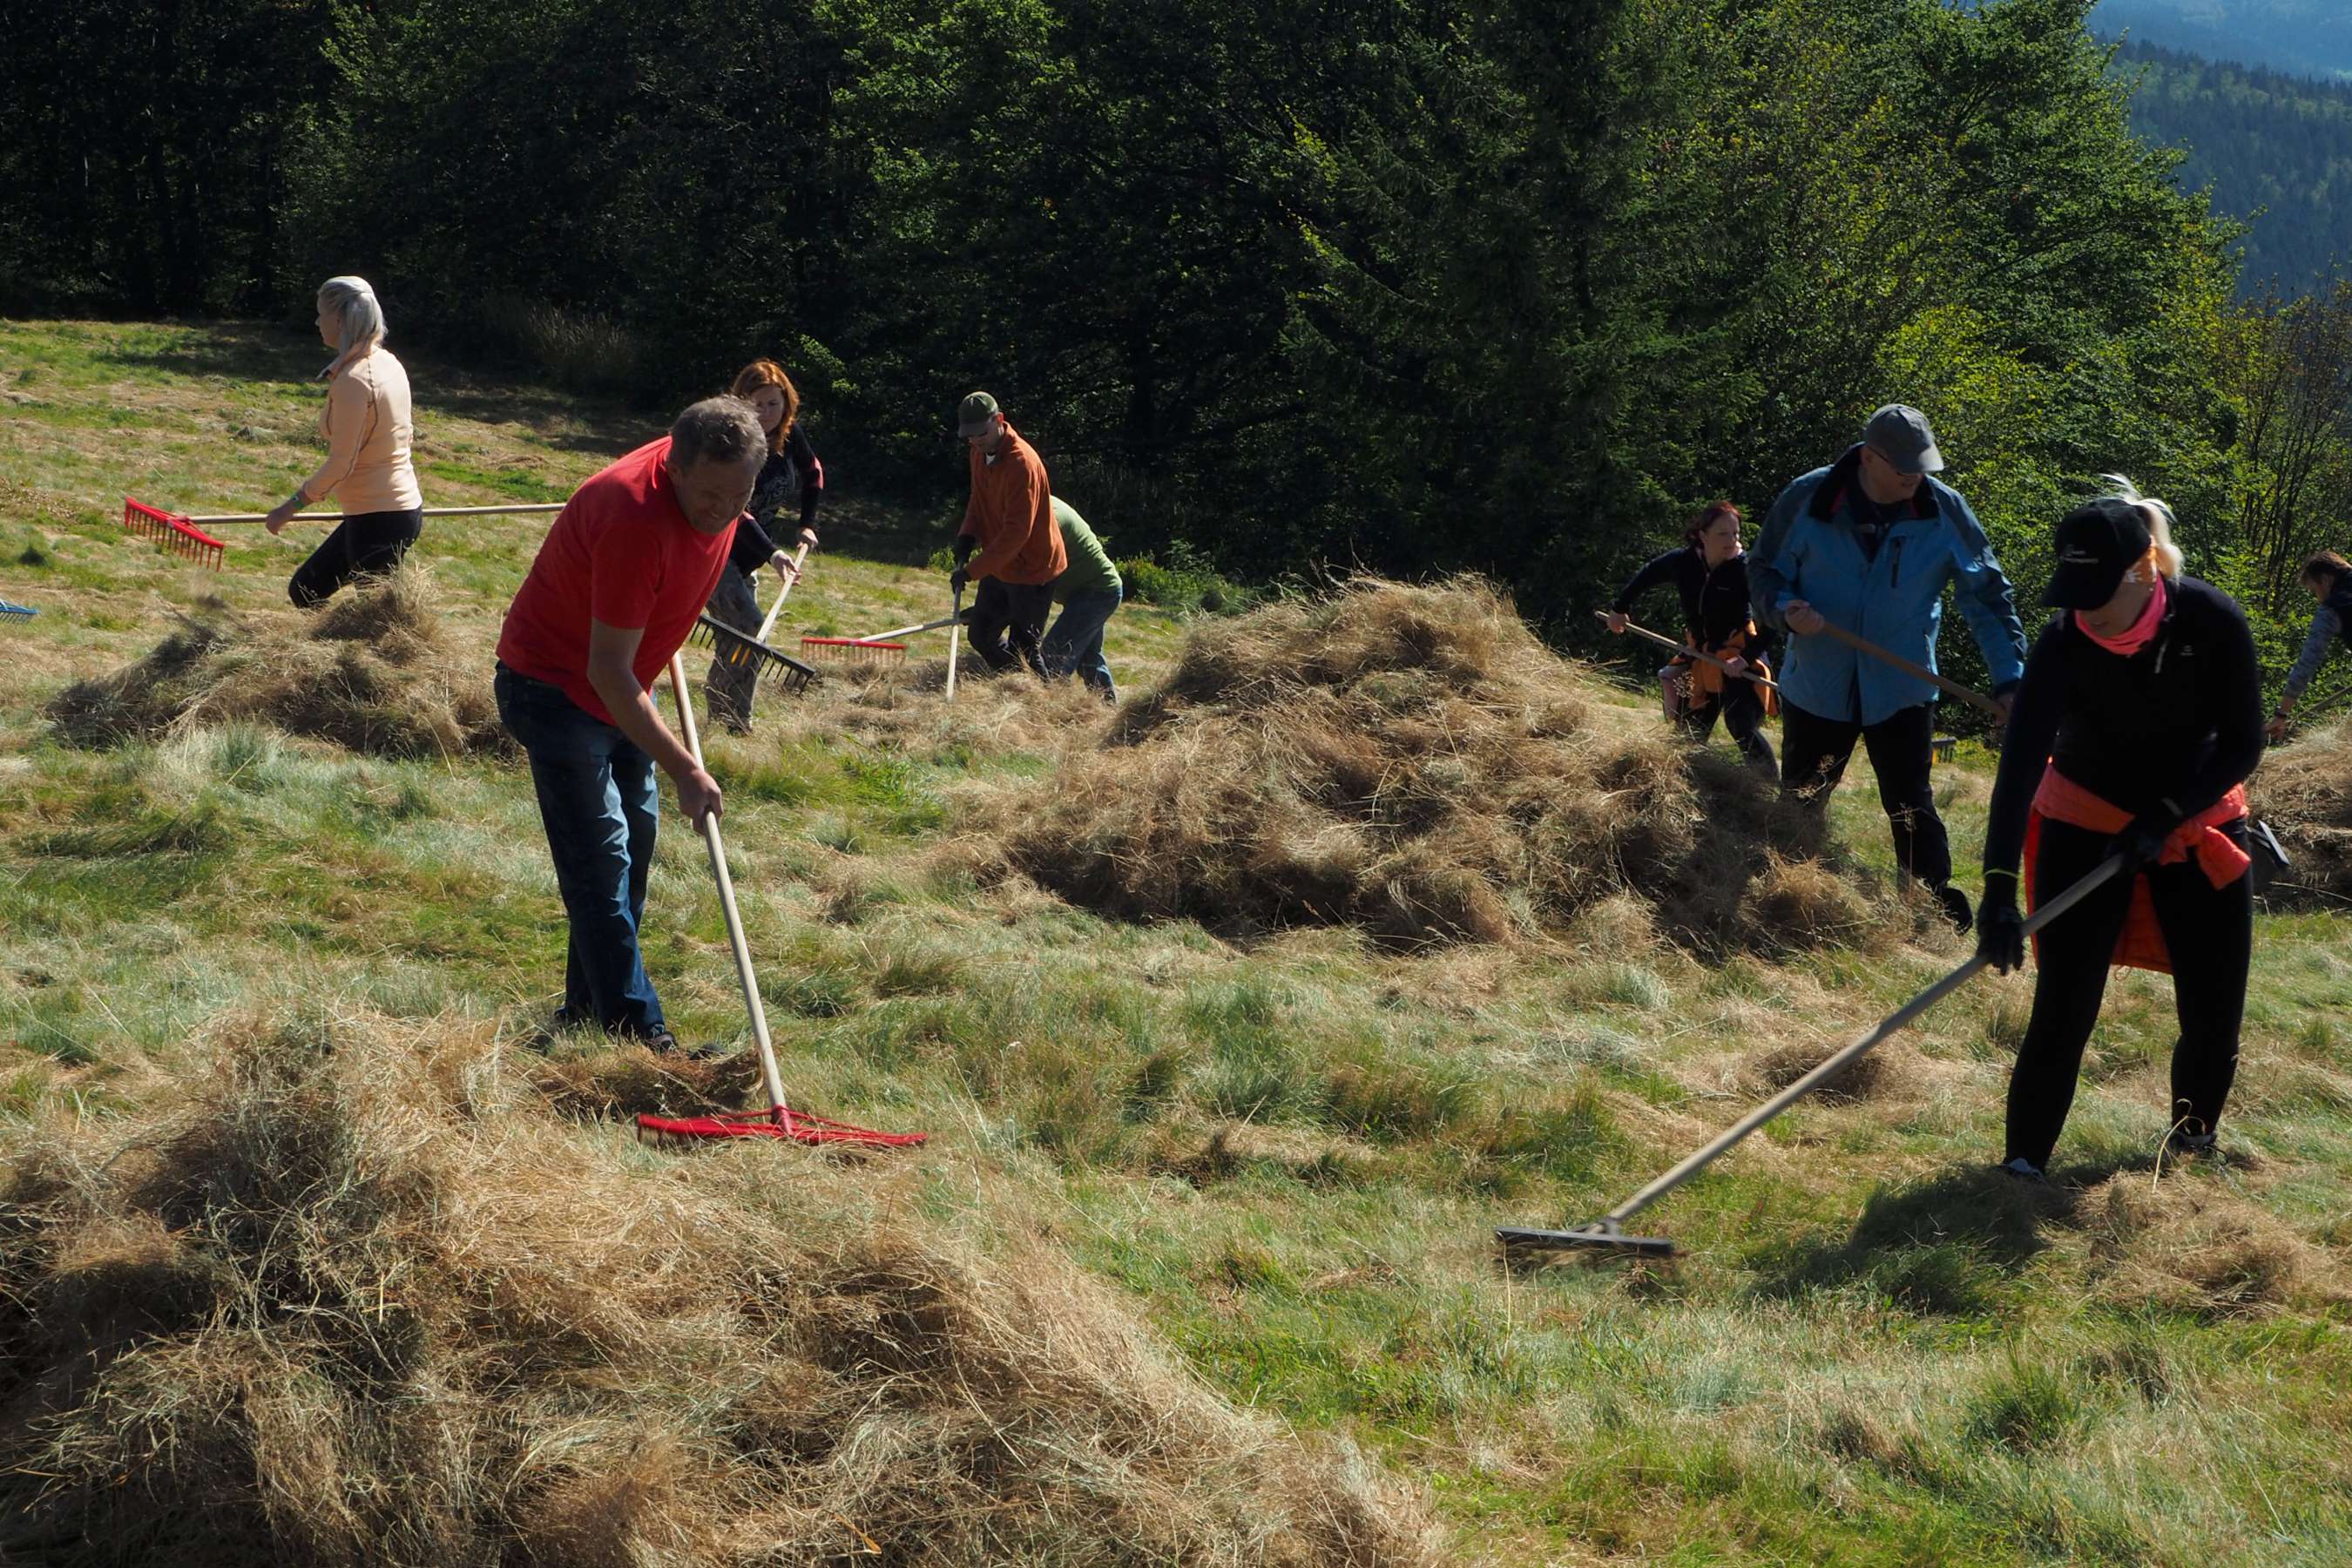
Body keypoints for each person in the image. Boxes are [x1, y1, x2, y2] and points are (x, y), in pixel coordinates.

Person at [1976, 483, 2263, 1179]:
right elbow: (2019, 768)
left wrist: (2168, 815)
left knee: (2213, 1001)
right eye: (2073, 592)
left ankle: (2192, 1144)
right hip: (2085, 819)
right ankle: (2023, 1167)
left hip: (2197, 821)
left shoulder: (2210, 621)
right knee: (2064, 1004)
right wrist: (1997, 890)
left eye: (2097, 591)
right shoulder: (2063, 641)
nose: (2085, 610)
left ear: (2142, 572)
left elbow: (2244, 743)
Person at [492, 398, 767, 1053]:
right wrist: (687, 769)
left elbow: (628, 659)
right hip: (555, 687)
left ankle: (588, 1013)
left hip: (621, 694)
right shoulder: (632, 518)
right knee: (601, 860)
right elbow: (607, 671)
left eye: (740, 495)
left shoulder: (718, 485)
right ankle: (643, 1040)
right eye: (710, 495)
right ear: (673, 467)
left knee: (631, 852)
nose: (724, 511)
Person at [1749, 403, 2027, 929]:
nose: (1914, 479)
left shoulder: (1943, 510)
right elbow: (1764, 569)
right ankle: (1783, 894)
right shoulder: (1810, 498)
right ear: (1869, 458)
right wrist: (1784, 609)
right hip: (1819, 684)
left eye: (1922, 468)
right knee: (1803, 797)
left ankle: (1930, 906)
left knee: (1910, 802)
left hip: (1902, 686)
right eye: (1904, 470)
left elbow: (1988, 598)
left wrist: (2010, 680)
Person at [262, 276, 425, 607]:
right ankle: (333, 650)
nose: (317, 322)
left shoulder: (355, 382)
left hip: (380, 516)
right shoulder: (386, 362)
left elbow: (341, 463)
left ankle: (347, 656)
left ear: (339, 320)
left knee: (373, 622)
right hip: (383, 511)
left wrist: (290, 507)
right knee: (306, 590)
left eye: (321, 314)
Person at [1607, 500, 1779, 777]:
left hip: (1740, 656)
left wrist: (1744, 659)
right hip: (1701, 656)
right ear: (1703, 535)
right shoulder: (1683, 562)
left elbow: (1772, 620)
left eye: (1735, 533)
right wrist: (1619, 608)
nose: (1732, 540)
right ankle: (1686, 785)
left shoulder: (1746, 569)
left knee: (1740, 725)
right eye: (1723, 534)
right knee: (1689, 731)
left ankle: (1772, 795)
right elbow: (1648, 574)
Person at [703, 359, 828, 731]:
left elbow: (814, 473)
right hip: (712, 551)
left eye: (774, 404)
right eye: (758, 404)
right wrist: (773, 552)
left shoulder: (790, 438)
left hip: (747, 560)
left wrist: (807, 524)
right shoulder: (732, 445)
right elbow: (736, 512)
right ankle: (728, 715)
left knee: (745, 638)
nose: (767, 413)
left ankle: (729, 715)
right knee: (749, 625)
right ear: (742, 403)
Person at [951, 391, 1064, 675]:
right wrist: (967, 534)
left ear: (999, 420)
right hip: (1000, 564)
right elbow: (978, 499)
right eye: (970, 436)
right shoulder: (978, 454)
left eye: (981, 434)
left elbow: (1017, 533)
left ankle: (1041, 703)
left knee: (1025, 648)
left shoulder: (1021, 464)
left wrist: (971, 571)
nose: (976, 441)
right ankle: (1013, 685)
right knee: (980, 635)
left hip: (1033, 570)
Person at [1040, 497, 1123, 702]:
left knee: (1054, 656)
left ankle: (1047, 713)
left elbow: (1036, 581)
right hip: (1090, 590)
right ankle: (1108, 710)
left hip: (1097, 591)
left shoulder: (1050, 519)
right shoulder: (1038, 505)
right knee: (1089, 658)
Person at [2268, 548, 2352, 742]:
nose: (2318, 598)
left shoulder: (2334, 607)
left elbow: (2307, 663)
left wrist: (2281, 714)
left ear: (2326, 579)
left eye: (2315, 591)